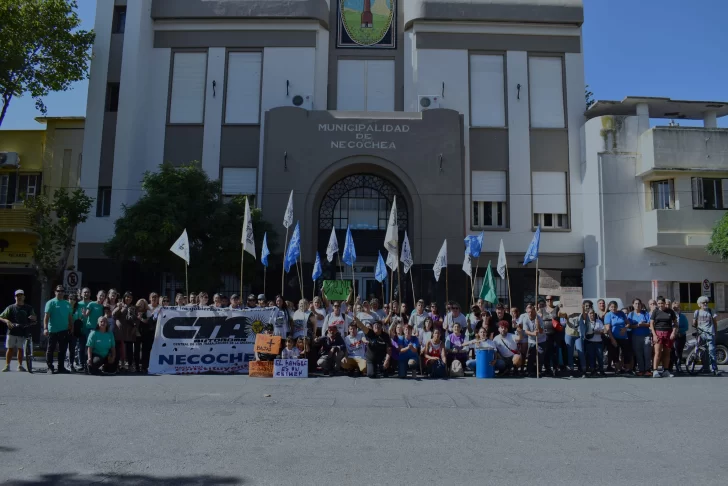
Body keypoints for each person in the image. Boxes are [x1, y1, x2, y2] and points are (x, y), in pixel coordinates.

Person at [1, 289, 37, 372]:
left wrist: (33, 318)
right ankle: (7, 365)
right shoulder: (10, 307)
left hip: (23, 330)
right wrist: (7, 321)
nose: (19, 297)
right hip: (12, 330)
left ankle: (20, 366)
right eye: (17, 296)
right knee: (10, 348)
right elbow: (1, 317)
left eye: (21, 296)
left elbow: (34, 317)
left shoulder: (28, 308)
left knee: (20, 349)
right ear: (15, 297)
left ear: (24, 297)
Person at [44, 285, 73, 374]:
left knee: (62, 350)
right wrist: (45, 328)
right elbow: (46, 317)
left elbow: (70, 317)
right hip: (53, 330)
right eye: (58, 291)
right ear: (55, 292)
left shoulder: (67, 304)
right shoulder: (51, 303)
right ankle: (50, 367)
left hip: (64, 330)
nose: (60, 292)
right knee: (50, 349)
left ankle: (61, 367)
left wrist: (71, 326)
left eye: (62, 291)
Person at [692, 296, 722, 376]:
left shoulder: (710, 311)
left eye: (706, 302)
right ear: (699, 304)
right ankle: (705, 367)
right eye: (703, 302)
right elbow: (694, 322)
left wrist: (715, 332)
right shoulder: (697, 312)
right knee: (701, 352)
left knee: (712, 351)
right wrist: (694, 324)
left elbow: (715, 322)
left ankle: (714, 369)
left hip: (709, 334)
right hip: (701, 334)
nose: (705, 304)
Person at [650, 296, 678, 378]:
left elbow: (675, 324)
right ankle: (655, 370)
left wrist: (673, 332)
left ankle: (666, 370)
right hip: (658, 333)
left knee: (667, 352)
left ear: (665, 303)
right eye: (659, 303)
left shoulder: (670, 312)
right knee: (657, 352)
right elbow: (651, 324)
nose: (660, 305)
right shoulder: (655, 312)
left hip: (668, 333)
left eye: (662, 303)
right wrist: (654, 335)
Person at [520, 303, 549, 377]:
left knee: (540, 354)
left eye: (531, 312)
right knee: (531, 355)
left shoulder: (538, 318)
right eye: (528, 312)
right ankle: (529, 371)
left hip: (541, 339)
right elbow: (526, 331)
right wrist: (533, 333)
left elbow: (541, 331)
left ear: (534, 311)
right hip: (532, 340)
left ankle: (538, 370)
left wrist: (538, 325)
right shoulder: (525, 318)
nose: (530, 313)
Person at [604, 300, 632, 375]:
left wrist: (625, 328)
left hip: (624, 337)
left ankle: (627, 369)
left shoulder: (621, 313)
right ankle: (618, 369)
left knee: (626, 353)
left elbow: (628, 323)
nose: (613, 308)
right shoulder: (608, 315)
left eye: (615, 307)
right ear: (609, 308)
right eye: (612, 307)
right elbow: (608, 328)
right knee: (615, 353)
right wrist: (612, 339)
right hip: (614, 337)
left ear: (617, 307)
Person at [114, 292, 138, 372]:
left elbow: (137, 319)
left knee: (129, 349)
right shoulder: (119, 305)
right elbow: (114, 315)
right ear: (124, 297)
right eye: (127, 297)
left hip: (130, 331)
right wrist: (119, 308)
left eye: (130, 297)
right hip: (120, 330)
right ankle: (118, 365)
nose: (129, 299)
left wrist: (135, 327)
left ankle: (130, 365)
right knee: (119, 349)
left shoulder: (133, 307)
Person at [628, 298, 652, 376]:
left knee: (647, 353)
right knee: (638, 354)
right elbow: (629, 326)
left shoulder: (645, 313)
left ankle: (647, 369)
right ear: (633, 305)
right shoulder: (630, 314)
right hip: (635, 336)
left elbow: (649, 324)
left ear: (641, 305)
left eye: (639, 303)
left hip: (646, 336)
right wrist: (637, 325)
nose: (637, 305)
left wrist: (643, 325)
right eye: (636, 303)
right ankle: (641, 370)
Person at [580, 309, 605, 377]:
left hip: (598, 342)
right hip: (589, 342)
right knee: (591, 357)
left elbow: (604, 330)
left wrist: (598, 332)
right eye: (590, 313)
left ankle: (601, 370)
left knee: (600, 357)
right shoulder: (586, 322)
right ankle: (592, 370)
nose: (592, 315)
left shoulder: (599, 321)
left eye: (593, 313)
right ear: (588, 314)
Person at [141, 293, 162, 373]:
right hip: (147, 331)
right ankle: (144, 366)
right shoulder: (146, 307)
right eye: (152, 297)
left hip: (158, 332)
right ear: (149, 298)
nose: (154, 298)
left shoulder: (161, 308)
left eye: (156, 297)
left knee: (156, 350)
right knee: (146, 350)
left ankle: (156, 366)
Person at [564, 308, 585, 377]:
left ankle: (583, 369)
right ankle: (571, 369)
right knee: (570, 352)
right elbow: (559, 314)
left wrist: (582, 308)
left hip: (578, 334)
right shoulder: (567, 310)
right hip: (569, 333)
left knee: (580, 351)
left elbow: (584, 317)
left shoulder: (580, 310)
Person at [670, 301, 689, 374]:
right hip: (672, 335)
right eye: (674, 308)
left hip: (680, 336)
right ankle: (671, 366)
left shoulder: (683, 317)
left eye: (677, 307)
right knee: (672, 351)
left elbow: (686, 327)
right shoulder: (670, 316)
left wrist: (678, 330)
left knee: (679, 352)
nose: (675, 309)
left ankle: (678, 365)